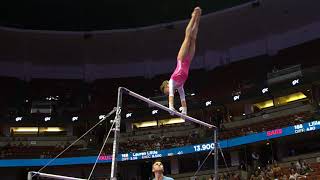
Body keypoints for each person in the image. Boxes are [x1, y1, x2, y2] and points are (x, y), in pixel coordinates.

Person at [160, 7, 202, 115]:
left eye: (167, 91)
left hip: (181, 59)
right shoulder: (180, 86)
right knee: (193, 39)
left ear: (167, 86)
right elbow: (183, 98)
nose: (169, 92)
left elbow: (171, 97)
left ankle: (193, 17)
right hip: (188, 61)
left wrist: (171, 107)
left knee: (187, 38)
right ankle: (198, 19)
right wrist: (184, 111)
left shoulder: (172, 81)